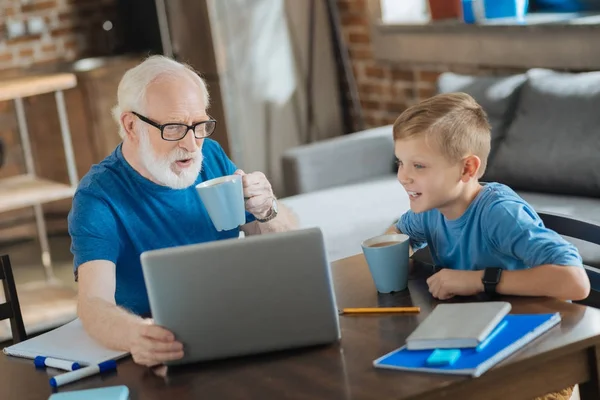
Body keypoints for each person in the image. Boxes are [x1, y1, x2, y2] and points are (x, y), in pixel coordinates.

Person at [68, 55, 298, 367]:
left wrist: (267, 210)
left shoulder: (211, 156)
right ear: (131, 125)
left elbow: (291, 247)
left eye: (199, 125)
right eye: (175, 127)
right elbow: (93, 303)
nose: (192, 144)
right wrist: (136, 334)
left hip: (237, 323)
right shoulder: (98, 196)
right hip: (164, 346)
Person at [388, 92, 590, 302]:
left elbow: (575, 281)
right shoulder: (430, 210)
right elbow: (396, 235)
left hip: (527, 323)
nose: (403, 177)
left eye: (419, 166)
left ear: (467, 169)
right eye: (400, 162)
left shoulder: (500, 214)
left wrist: (476, 280)